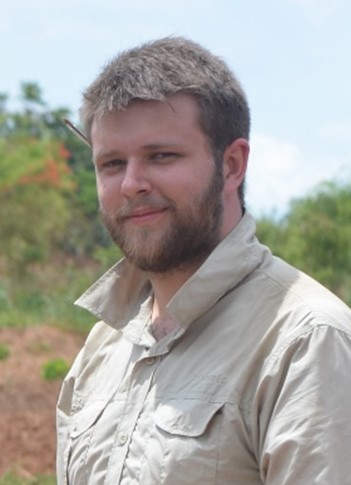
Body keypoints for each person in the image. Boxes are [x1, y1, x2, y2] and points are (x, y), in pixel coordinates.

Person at [56, 36, 351, 484]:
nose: (131, 184)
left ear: (231, 165)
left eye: (161, 156)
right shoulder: (102, 350)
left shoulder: (305, 342)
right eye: (112, 163)